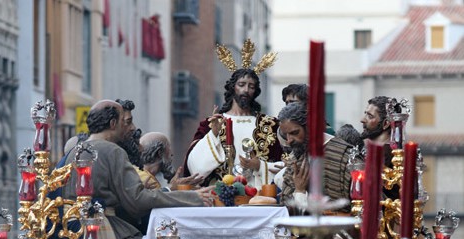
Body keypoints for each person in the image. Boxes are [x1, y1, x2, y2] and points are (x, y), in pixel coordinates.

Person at [60, 100, 213, 239]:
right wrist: (192, 197)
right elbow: (137, 201)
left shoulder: (74, 152)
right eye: (126, 122)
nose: (131, 128)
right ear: (113, 123)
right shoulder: (113, 152)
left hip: (74, 233)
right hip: (107, 231)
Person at [185, 41, 283, 188]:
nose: (246, 90)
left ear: (255, 91)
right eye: (241, 85)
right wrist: (214, 134)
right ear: (233, 87)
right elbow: (194, 167)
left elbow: (286, 164)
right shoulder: (211, 123)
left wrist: (260, 166)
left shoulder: (271, 124)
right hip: (220, 195)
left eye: (251, 86)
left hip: (259, 196)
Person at [275, 102, 351, 214]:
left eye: (295, 133)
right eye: (286, 135)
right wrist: (299, 191)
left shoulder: (344, 155)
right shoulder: (297, 157)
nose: (289, 140)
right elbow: (287, 206)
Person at [137, 132, 203, 192]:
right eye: (169, 147)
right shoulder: (147, 180)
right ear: (159, 153)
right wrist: (173, 188)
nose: (172, 154)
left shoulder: (144, 175)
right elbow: (155, 201)